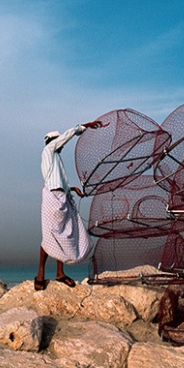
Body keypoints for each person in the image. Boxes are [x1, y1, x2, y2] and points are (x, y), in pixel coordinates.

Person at [34, 120, 104, 291]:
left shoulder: (55, 159)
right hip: (53, 197)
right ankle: (40, 274)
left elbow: (58, 181)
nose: (62, 145)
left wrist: (72, 190)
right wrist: (83, 127)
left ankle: (60, 273)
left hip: (62, 196)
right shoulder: (48, 150)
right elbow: (65, 138)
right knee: (50, 235)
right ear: (52, 141)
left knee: (63, 234)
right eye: (58, 141)